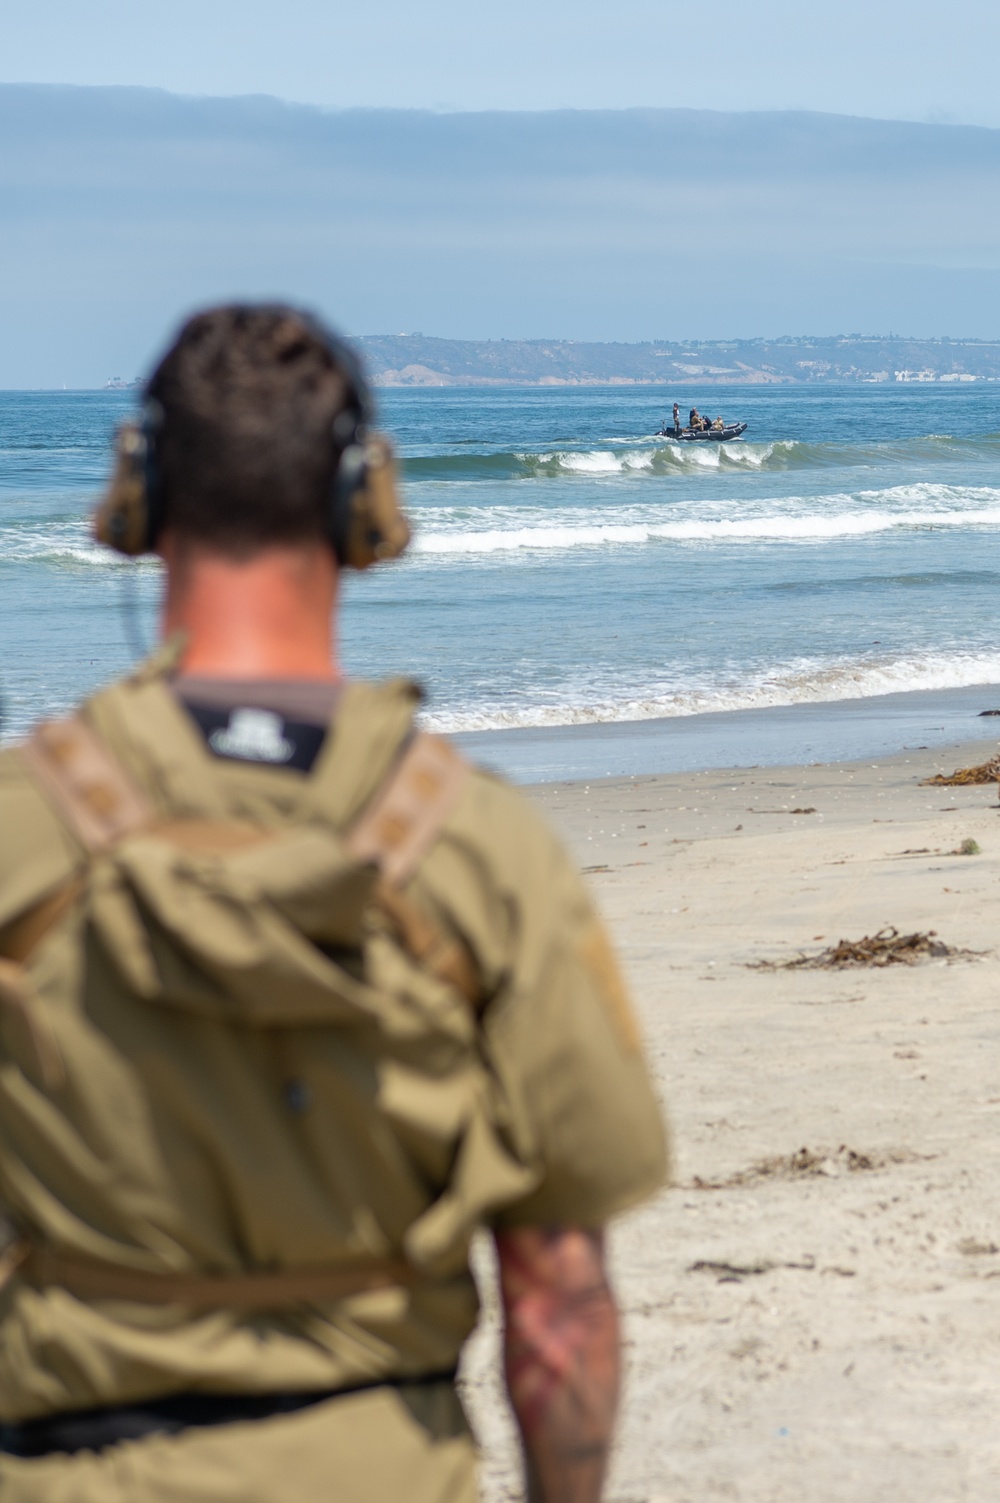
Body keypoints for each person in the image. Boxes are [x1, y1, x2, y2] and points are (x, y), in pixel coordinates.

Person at [0, 305, 668, 1503]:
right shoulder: (480, 847)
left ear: (135, 497)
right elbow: (561, 1301)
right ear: (368, 506)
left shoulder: (18, 833)